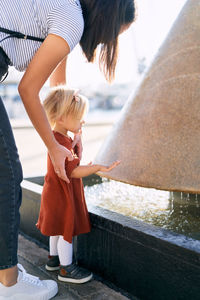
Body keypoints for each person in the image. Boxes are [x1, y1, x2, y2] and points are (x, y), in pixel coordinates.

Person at [0, 0, 136, 299]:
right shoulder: (73, 20)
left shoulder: (66, 9)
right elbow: (27, 89)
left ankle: (5, 273)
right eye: (110, 36)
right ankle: (8, 284)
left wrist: (71, 131)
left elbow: (56, 86)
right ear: (105, 20)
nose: (104, 44)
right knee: (7, 177)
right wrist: (53, 145)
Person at [36, 86, 120, 284]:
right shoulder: (62, 141)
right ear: (62, 118)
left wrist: (77, 141)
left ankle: (53, 259)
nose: (83, 121)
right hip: (63, 193)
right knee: (67, 230)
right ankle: (66, 269)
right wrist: (98, 167)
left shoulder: (57, 138)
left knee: (56, 228)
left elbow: (69, 160)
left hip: (53, 192)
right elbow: (73, 171)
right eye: (80, 117)